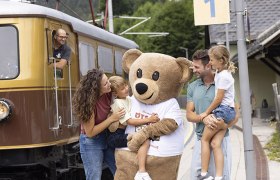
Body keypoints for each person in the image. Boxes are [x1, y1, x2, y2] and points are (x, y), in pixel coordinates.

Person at [186, 49, 238, 180]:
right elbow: (188, 114)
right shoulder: (192, 87)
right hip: (200, 141)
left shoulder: (222, 82)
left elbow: (235, 114)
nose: (194, 70)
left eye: (197, 67)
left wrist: (223, 125)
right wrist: (203, 118)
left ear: (208, 65)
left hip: (220, 143)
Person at [72, 69, 126, 180]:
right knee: (94, 177)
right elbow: (90, 132)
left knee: (121, 172)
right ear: (96, 88)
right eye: (106, 83)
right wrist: (112, 118)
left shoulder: (108, 92)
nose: (109, 84)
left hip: (107, 137)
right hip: (91, 142)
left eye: (108, 80)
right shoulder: (88, 103)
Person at [107, 76, 160, 180]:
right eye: (122, 89)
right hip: (116, 136)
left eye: (126, 85)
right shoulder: (118, 103)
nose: (126, 88)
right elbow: (130, 121)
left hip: (122, 133)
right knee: (144, 140)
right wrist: (149, 119)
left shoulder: (127, 99)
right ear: (115, 94)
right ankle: (142, 171)